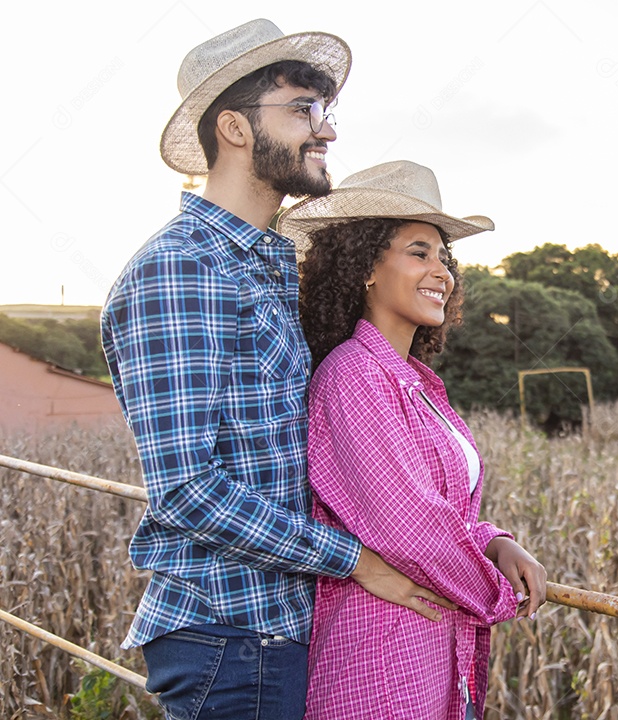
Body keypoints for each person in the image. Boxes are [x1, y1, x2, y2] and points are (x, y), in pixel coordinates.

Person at [101, 21, 451, 720]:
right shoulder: (183, 269)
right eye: (301, 109)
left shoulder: (263, 266)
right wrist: (355, 560)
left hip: (275, 623)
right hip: (229, 631)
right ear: (233, 127)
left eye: (324, 112)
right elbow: (189, 490)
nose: (325, 132)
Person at [280, 160, 547, 719]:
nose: (442, 272)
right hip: (380, 651)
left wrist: (497, 542)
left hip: (430, 642)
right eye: (419, 252)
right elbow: (409, 525)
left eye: (445, 258)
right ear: (364, 269)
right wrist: (499, 594)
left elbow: (445, 508)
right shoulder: (353, 375)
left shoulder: (417, 382)